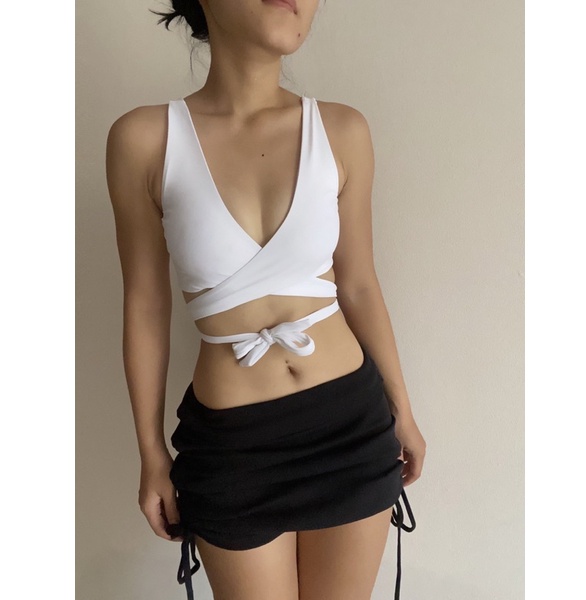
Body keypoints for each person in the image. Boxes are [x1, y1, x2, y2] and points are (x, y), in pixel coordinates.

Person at [105, 1, 426, 599]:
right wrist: (150, 452)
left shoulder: (342, 130)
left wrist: (402, 409)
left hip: (349, 426)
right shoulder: (144, 139)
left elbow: (358, 283)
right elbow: (145, 306)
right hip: (233, 449)